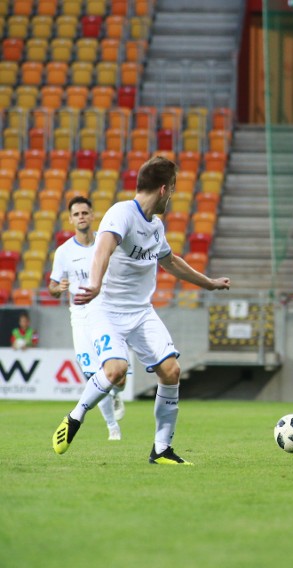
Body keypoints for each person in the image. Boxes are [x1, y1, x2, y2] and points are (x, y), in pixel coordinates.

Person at [52, 156, 231, 465]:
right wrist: (94, 284)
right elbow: (104, 248)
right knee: (115, 371)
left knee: (171, 371)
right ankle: (76, 415)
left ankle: (161, 449)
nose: (173, 195)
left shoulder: (155, 226)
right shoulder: (121, 213)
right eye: (172, 188)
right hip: (106, 309)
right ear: (163, 189)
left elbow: (171, 262)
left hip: (141, 313)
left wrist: (209, 283)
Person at [49, 196, 126, 441]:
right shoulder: (63, 252)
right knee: (93, 374)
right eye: (76, 214)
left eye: (85, 212)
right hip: (80, 317)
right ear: (71, 219)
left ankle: (115, 393)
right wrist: (58, 287)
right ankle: (112, 428)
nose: (81, 217)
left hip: (106, 311)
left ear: (92, 216)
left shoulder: (104, 245)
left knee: (119, 378)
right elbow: (51, 286)